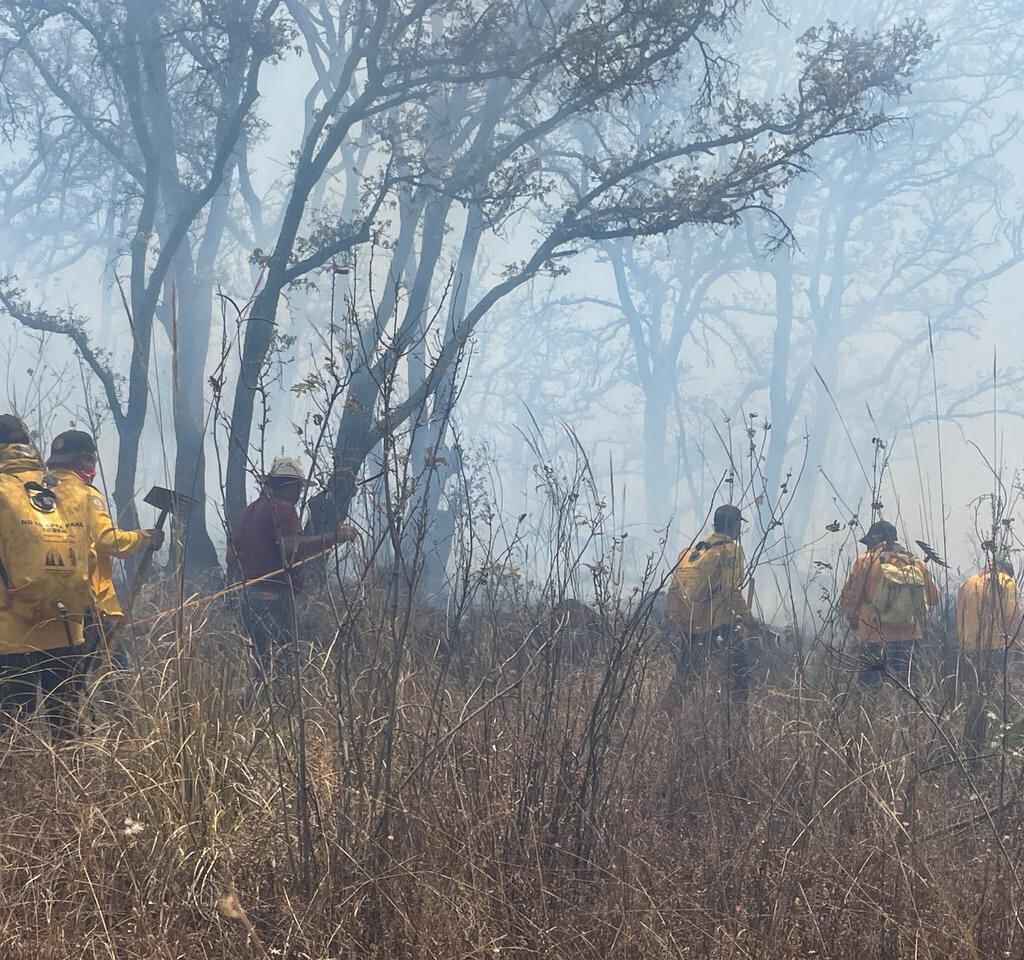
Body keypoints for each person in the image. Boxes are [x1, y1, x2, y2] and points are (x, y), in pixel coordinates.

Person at [0, 416, 96, 733]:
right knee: (66, 726)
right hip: (67, 627)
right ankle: (74, 782)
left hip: (12, 636)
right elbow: (90, 553)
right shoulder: (64, 490)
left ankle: (22, 784)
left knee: (13, 732)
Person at [229, 456, 357, 689]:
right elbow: (291, 547)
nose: (299, 493)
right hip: (274, 598)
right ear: (288, 486)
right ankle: (275, 715)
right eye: (298, 487)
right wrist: (334, 538)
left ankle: (251, 712)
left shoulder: (250, 511)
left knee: (258, 664)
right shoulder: (284, 509)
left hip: (246, 597)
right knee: (283, 663)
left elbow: (231, 556)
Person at [44, 430, 162, 669]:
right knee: (116, 668)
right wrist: (145, 538)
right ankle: (114, 708)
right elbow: (110, 541)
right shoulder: (85, 494)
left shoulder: (37, 490)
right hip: (87, 601)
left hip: (45, 600)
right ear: (86, 462)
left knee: (60, 674)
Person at [664, 504, 753, 705]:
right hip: (716, 624)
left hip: (690, 622)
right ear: (733, 524)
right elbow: (729, 590)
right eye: (739, 524)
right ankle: (738, 724)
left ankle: (663, 716)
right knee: (740, 674)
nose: (740, 529)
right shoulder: (730, 551)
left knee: (686, 675)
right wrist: (748, 618)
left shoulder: (697, 549)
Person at [839, 520, 939, 689]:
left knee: (868, 692)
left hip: (874, 635)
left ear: (876, 539)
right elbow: (934, 598)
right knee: (909, 692)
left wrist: (851, 617)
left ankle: (868, 716)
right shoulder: (916, 562)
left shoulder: (865, 561)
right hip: (910, 636)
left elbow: (851, 597)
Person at [956, 557, 1022, 754]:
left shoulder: (966, 583)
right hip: (996, 646)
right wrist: (1017, 642)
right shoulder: (1006, 583)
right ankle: (991, 738)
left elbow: (959, 616)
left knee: (974, 693)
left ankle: (971, 739)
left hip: (970, 647)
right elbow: (1013, 615)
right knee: (994, 694)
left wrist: (964, 643)